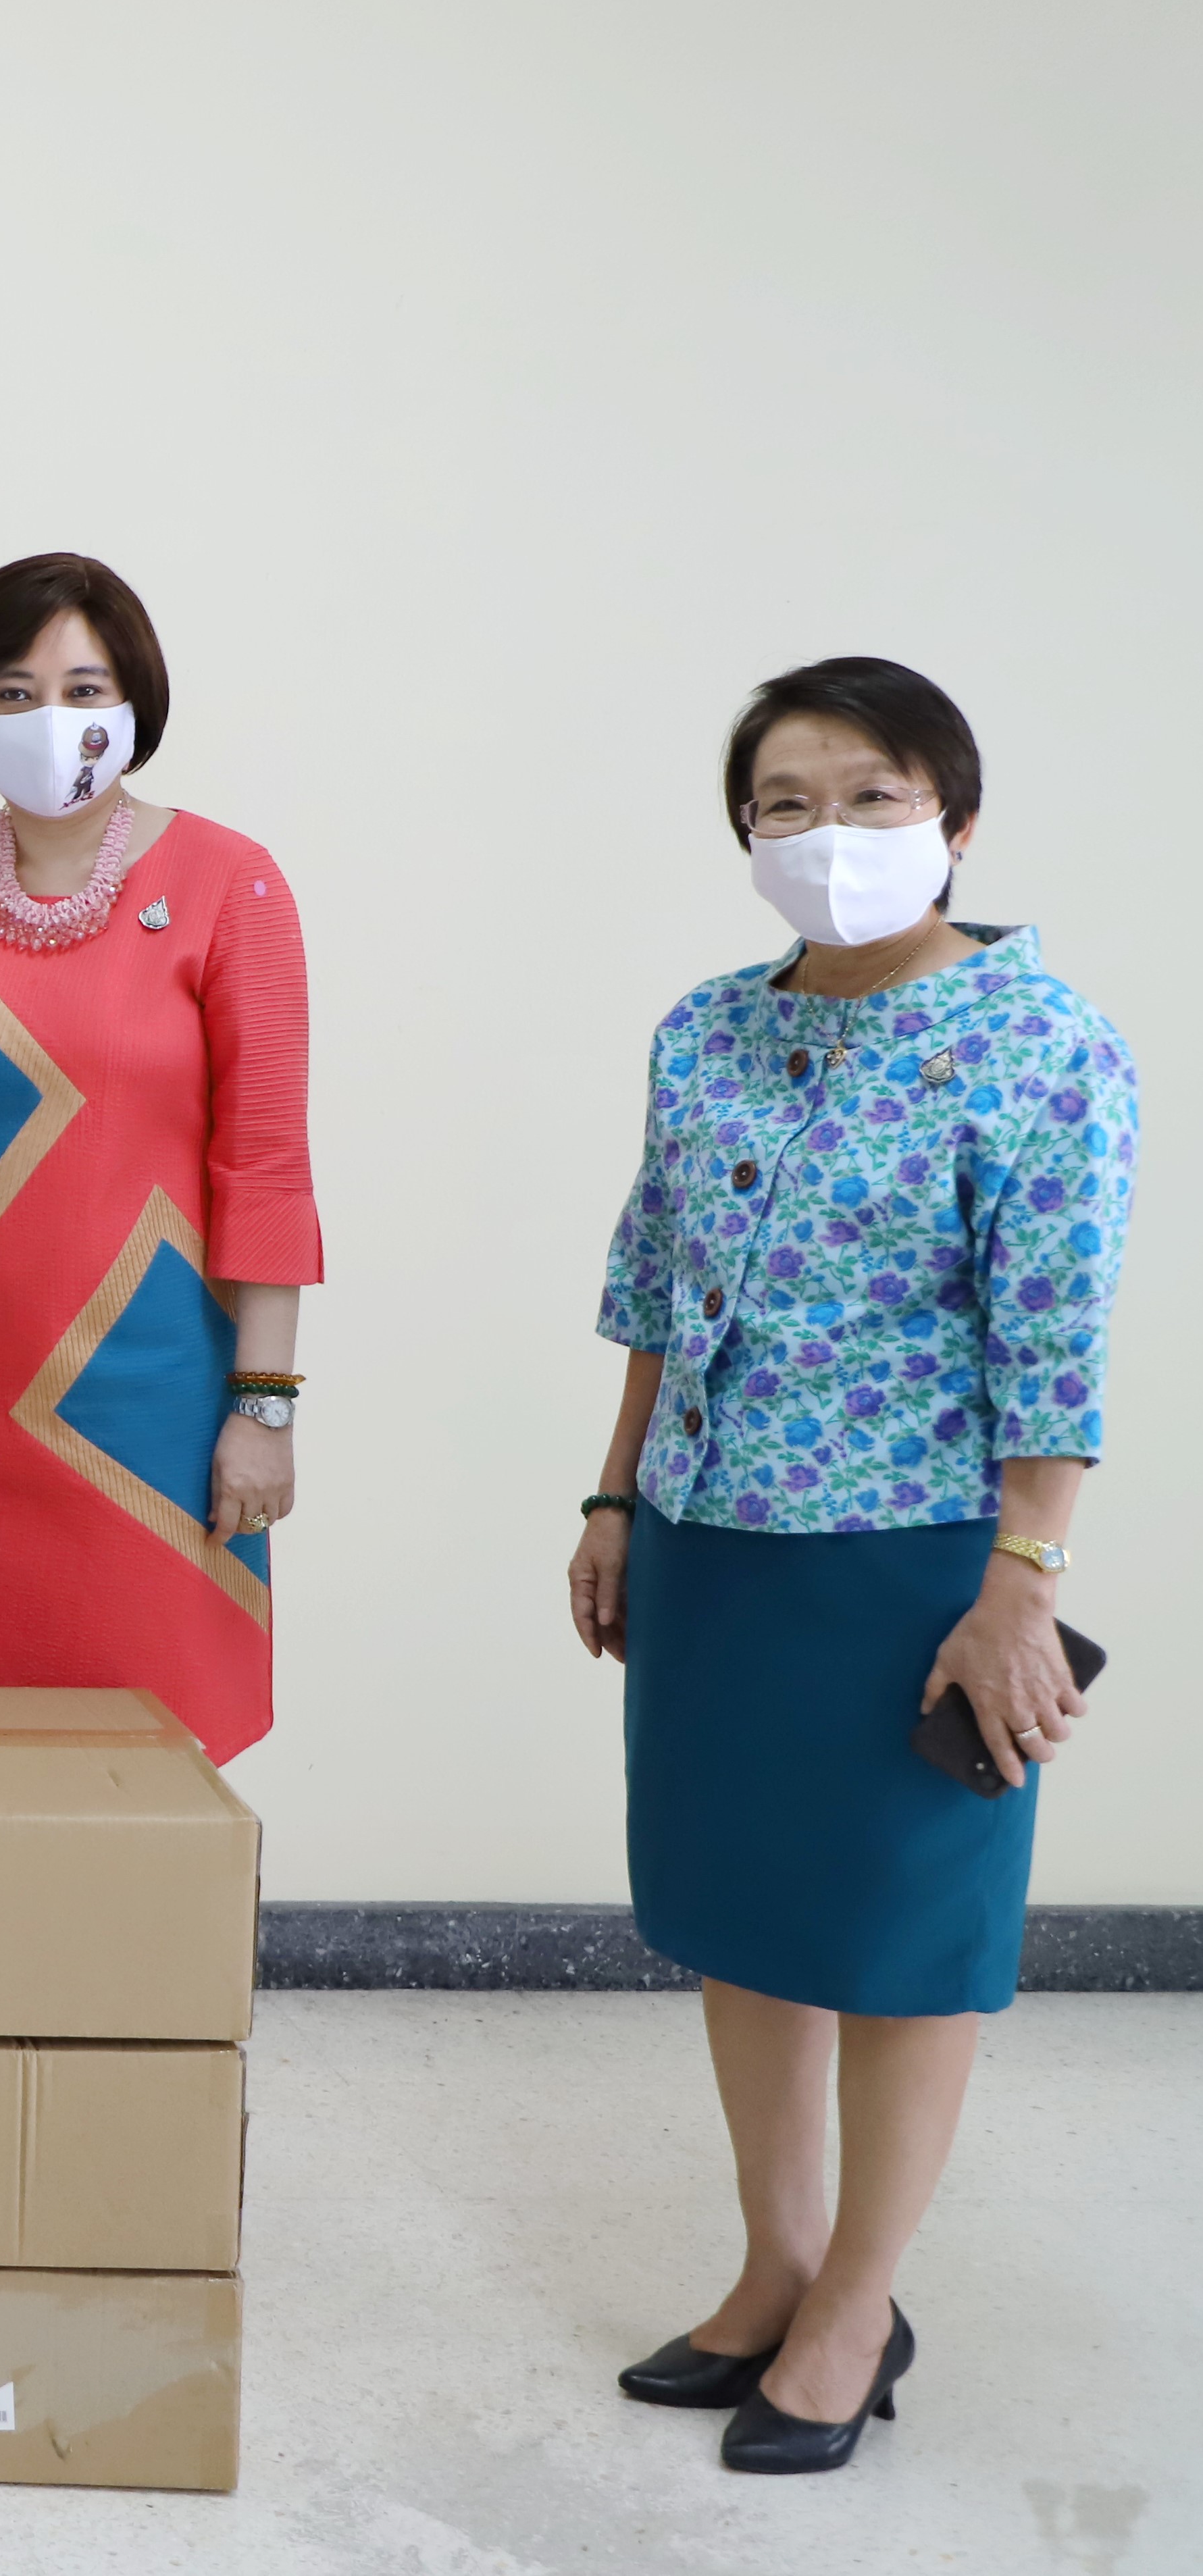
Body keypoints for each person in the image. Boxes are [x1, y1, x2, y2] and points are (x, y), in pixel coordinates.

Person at [569, 658, 1131, 2474]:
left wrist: (1019, 1583)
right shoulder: (703, 1031)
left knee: (898, 1938)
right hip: (708, 1540)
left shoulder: (1040, 1045)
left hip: (914, 1565)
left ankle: (857, 2304)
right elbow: (654, 1290)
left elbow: (1051, 1349)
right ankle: (774, 2262)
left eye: (870, 796)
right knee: (743, 1916)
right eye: (783, 804)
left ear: (952, 819)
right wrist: (609, 1501)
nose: (826, 833)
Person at [0, 553, 317, 1766]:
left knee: (144, 1760)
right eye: (13, 692)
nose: (52, 721)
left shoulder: (227, 882)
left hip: (148, 1409)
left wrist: (264, 1407)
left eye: (85, 689)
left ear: (135, 705)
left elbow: (265, 1164)